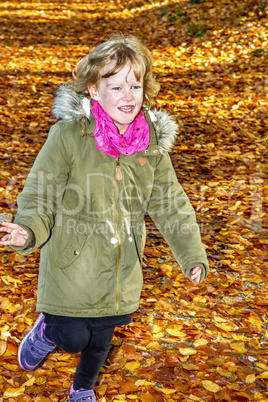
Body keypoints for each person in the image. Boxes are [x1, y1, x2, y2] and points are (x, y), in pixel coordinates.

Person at [0, 33, 209, 402]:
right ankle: (47, 332)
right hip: (71, 260)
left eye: (135, 85)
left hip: (120, 264)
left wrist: (192, 256)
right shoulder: (68, 136)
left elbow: (171, 204)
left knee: (101, 338)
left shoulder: (152, 149)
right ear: (94, 90)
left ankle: (82, 388)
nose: (128, 95)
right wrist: (28, 231)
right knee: (75, 337)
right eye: (116, 87)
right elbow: (40, 192)